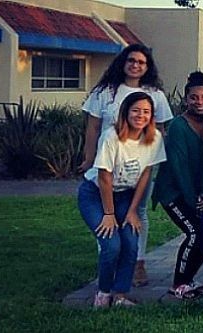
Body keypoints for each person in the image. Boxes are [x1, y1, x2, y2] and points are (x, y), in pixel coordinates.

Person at [80, 44, 173, 287]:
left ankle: (138, 263)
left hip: (138, 169)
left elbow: (160, 130)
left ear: (148, 66)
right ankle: (107, 260)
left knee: (137, 212)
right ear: (123, 62)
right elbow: (92, 128)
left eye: (142, 62)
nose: (136, 65)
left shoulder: (156, 94)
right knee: (106, 216)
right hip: (108, 166)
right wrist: (89, 159)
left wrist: (154, 163)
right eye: (131, 60)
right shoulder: (105, 91)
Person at [77, 92, 166, 307]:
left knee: (131, 243)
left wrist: (133, 210)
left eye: (146, 112)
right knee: (111, 244)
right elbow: (104, 177)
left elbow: (146, 174)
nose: (140, 115)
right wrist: (109, 214)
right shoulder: (111, 136)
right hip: (96, 195)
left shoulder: (153, 138)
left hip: (126, 195)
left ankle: (120, 294)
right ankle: (104, 292)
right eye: (135, 110)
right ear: (125, 112)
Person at [152, 72, 203, 299]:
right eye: (194, 98)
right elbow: (179, 169)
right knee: (194, 232)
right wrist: (192, 201)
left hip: (197, 192)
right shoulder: (179, 127)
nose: (200, 102)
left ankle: (189, 278)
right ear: (185, 100)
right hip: (173, 191)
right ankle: (178, 283)